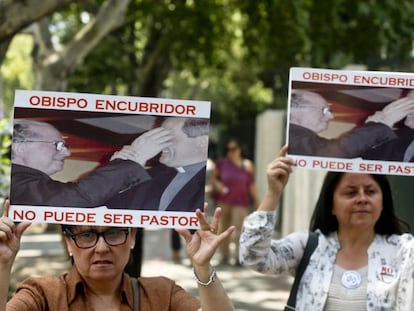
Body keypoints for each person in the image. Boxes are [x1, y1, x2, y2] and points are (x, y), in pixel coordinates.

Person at [239, 145, 414, 310]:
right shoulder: (308, 246)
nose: (362, 199)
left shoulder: (404, 251)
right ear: (331, 204)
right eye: (351, 192)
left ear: (383, 202)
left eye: (370, 191)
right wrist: (273, 192)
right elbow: (252, 256)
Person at [0, 200, 235, 310]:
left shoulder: (162, 295)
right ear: (68, 243)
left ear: (132, 237)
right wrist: (2, 264)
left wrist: (203, 267)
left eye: (114, 234)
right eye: (87, 236)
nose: (101, 248)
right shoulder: (42, 296)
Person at [10, 120, 173, 207]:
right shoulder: (14, 181)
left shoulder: (25, 182)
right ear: (20, 147)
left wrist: (119, 166)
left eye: (65, 145)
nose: (67, 152)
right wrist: (136, 157)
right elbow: (76, 198)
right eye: (58, 145)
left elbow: (80, 197)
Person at [105, 117, 209, 212]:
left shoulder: (212, 183)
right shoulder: (148, 176)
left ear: (202, 142)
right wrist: (118, 173)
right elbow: (105, 212)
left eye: (166, 136)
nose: (156, 144)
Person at [288, 90, 414, 158]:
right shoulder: (291, 138)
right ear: (293, 110)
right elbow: (335, 152)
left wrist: (374, 126)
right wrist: (383, 122)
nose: (331, 116)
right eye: (324, 110)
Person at [211, 139, 259, 265]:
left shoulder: (247, 165)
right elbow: (214, 179)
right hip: (224, 202)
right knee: (223, 230)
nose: (231, 152)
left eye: (233, 149)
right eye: (228, 149)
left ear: (240, 149)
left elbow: (251, 184)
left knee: (239, 230)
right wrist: (219, 185)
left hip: (241, 202)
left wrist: (257, 202)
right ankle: (224, 256)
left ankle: (238, 258)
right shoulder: (221, 164)